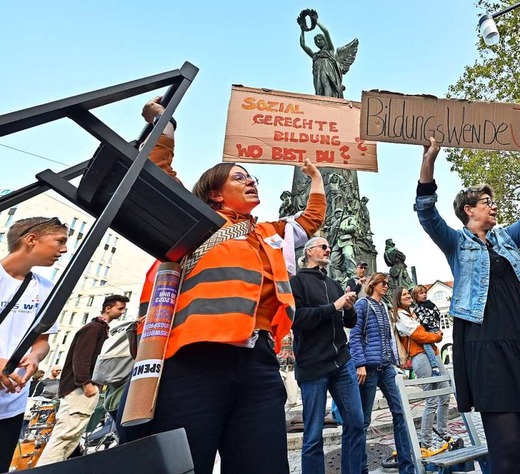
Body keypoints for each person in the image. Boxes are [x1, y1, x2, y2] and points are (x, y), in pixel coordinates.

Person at [119, 97, 327, 474]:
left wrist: (315, 177)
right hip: (193, 360)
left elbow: (310, 220)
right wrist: (163, 127)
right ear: (215, 193)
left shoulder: (268, 233)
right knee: (183, 466)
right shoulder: (197, 221)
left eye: (252, 177)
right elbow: (158, 173)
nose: (251, 180)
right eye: (239, 176)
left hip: (259, 363)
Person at [415, 138, 520, 473]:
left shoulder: (508, 238)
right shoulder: (456, 242)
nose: (493, 206)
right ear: (469, 210)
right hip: (487, 346)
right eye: (487, 202)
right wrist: (428, 161)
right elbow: (427, 212)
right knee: (508, 452)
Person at [290, 236, 364, 474]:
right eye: (323, 246)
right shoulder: (297, 282)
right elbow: (297, 319)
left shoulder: (334, 284)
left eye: (329, 247)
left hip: (342, 362)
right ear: (310, 251)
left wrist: (349, 307)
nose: (328, 250)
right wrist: (334, 306)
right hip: (313, 366)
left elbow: (349, 322)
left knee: (356, 423)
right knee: (313, 435)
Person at [0, 217, 67, 473]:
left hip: (11, 404)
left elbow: (42, 341)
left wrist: (36, 358)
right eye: (59, 241)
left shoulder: (47, 289)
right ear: (31, 239)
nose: (64, 250)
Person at [37, 294, 129, 465]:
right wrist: (86, 383)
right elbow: (81, 357)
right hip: (80, 390)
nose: (122, 312)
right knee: (65, 435)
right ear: (108, 308)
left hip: (83, 389)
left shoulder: (99, 328)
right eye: (120, 308)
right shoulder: (94, 328)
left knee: (71, 437)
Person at [350, 272, 414, 474]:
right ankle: (361, 469)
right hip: (368, 369)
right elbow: (355, 335)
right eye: (383, 283)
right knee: (364, 421)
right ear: (373, 285)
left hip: (385, 368)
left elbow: (388, 338)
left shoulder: (384, 307)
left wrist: (395, 362)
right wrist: (359, 363)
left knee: (400, 413)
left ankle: (407, 467)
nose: (386, 286)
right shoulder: (362, 305)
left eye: (387, 283)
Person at [392, 287, 447, 452]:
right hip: (420, 357)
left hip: (433, 354)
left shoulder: (413, 314)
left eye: (408, 294)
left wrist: (429, 333)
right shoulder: (400, 315)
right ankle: (426, 442)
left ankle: (442, 436)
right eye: (404, 295)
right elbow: (419, 335)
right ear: (398, 299)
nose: (408, 296)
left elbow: (423, 331)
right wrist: (436, 336)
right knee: (432, 399)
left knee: (444, 396)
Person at [410, 285, 443, 376]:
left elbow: (429, 318)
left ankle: (434, 366)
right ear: (415, 295)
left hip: (431, 328)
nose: (424, 295)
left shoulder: (429, 305)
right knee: (428, 345)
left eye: (425, 293)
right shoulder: (418, 307)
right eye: (421, 293)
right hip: (428, 329)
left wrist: (417, 320)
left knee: (426, 344)